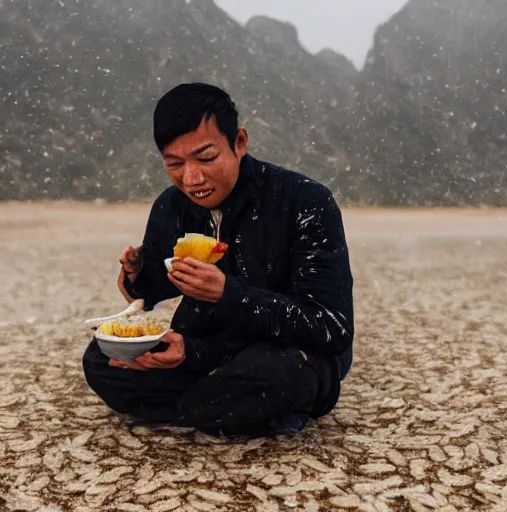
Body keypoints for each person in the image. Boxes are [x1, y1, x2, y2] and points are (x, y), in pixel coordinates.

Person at [82, 83, 354, 437]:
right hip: (200, 347)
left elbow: (332, 326)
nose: (191, 179)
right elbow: (154, 290)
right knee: (103, 358)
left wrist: (229, 294)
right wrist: (137, 277)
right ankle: (222, 408)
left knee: (273, 375)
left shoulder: (305, 201)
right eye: (174, 164)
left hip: (284, 351)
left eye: (206, 158)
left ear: (239, 142)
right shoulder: (172, 205)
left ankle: (216, 404)